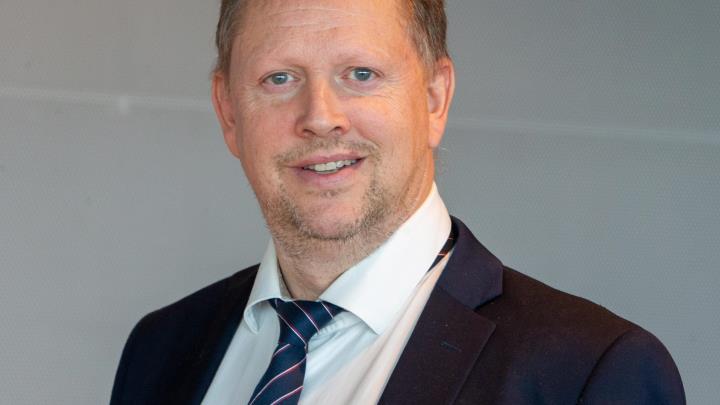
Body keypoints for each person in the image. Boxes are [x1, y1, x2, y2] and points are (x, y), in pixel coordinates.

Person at [110, 0, 685, 404]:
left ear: (435, 99)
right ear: (228, 111)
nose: (320, 118)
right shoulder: (160, 351)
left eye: (361, 74)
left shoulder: (587, 374)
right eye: (279, 78)